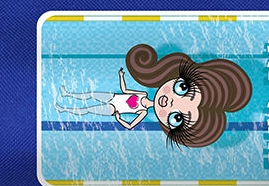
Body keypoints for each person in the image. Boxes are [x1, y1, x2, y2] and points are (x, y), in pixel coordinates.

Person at [55, 43, 252, 148]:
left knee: (89, 109)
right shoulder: (142, 93)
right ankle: (67, 94)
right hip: (114, 97)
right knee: (89, 94)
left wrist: (118, 117)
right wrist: (122, 76)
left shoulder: (141, 113)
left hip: (114, 107)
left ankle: (64, 109)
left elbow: (130, 125)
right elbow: (126, 91)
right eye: (182, 88)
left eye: (176, 118)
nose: (171, 102)